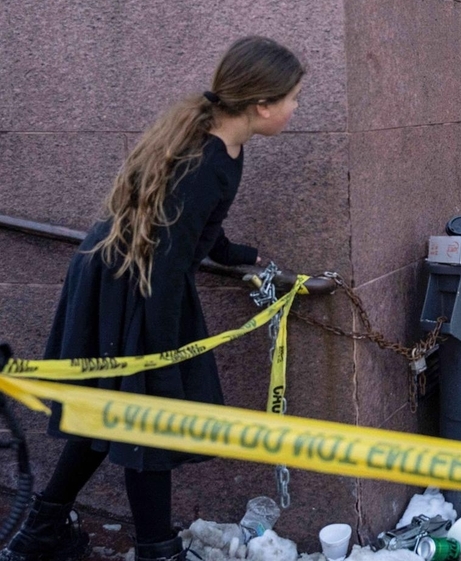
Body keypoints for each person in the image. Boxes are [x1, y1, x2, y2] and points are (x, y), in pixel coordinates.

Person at [1, 37, 305, 561]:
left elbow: (192, 231)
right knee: (148, 421)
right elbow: (164, 264)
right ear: (261, 104)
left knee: (112, 413)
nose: (297, 108)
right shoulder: (206, 159)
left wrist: (243, 255)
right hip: (133, 284)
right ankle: (155, 550)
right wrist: (162, 354)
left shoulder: (224, 148)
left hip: (130, 278)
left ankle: (41, 531)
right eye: (293, 98)